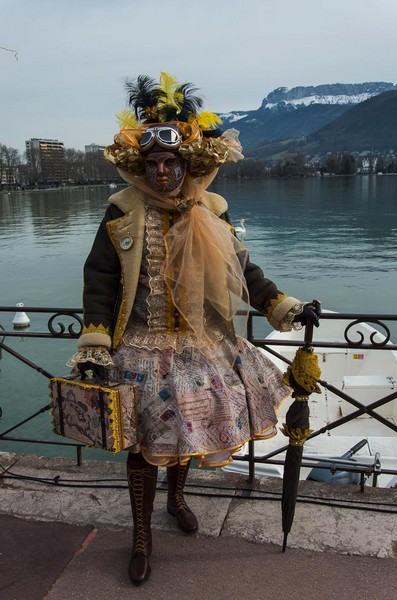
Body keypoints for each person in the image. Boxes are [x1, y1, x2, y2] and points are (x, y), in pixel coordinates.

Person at [67, 72, 320, 586]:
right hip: (140, 348)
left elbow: (242, 271)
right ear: (143, 166)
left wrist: (283, 307)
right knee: (142, 449)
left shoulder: (213, 209)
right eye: (153, 164)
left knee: (185, 433)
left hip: (201, 346)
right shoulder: (122, 209)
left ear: (185, 164)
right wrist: (94, 340)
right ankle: (141, 536)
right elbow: (100, 278)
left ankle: (177, 497)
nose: (162, 173)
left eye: (171, 163)